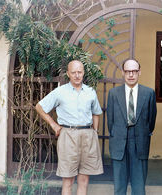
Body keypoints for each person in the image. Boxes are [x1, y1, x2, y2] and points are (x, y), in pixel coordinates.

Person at [35, 60, 103, 195]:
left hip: (88, 136)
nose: (77, 75)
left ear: (83, 73)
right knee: (68, 180)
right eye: (73, 72)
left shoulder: (90, 92)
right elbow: (39, 107)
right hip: (68, 136)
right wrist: (53, 124)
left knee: (83, 180)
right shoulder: (60, 92)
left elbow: (96, 113)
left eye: (79, 72)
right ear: (68, 74)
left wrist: (94, 132)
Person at [107, 59, 157, 195]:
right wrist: (117, 134)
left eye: (134, 71)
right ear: (123, 73)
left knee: (139, 187)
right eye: (128, 71)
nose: (131, 75)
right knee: (119, 187)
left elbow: (151, 121)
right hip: (119, 142)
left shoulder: (149, 93)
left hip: (140, 141)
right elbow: (110, 121)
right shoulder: (113, 94)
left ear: (139, 72)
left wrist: (143, 133)